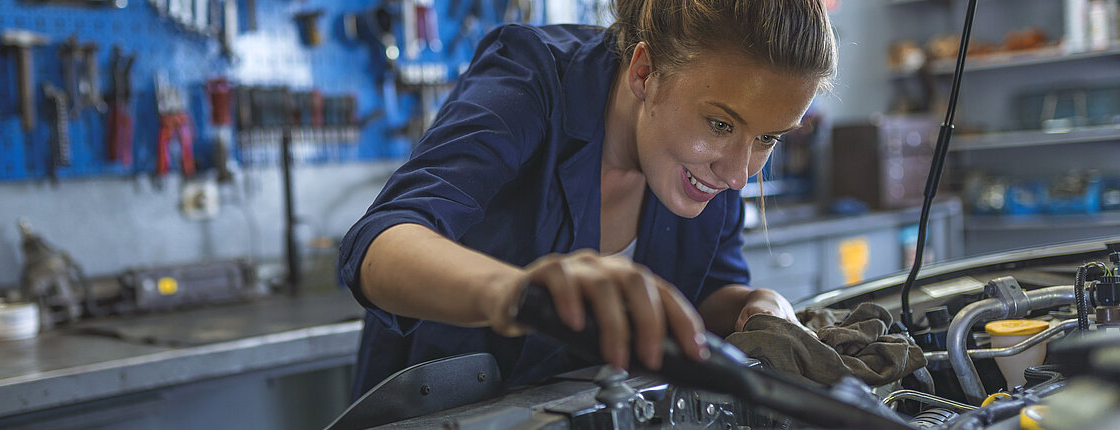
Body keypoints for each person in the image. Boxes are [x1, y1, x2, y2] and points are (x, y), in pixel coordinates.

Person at [338, 0, 837, 399]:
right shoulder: (532, 77)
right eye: (720, 124)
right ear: (644, 72)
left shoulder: (705, 166)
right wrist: (520, 295)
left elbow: (702, 295)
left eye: (769, 138)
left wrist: (755, 305)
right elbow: (378, 246)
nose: (736, 175)